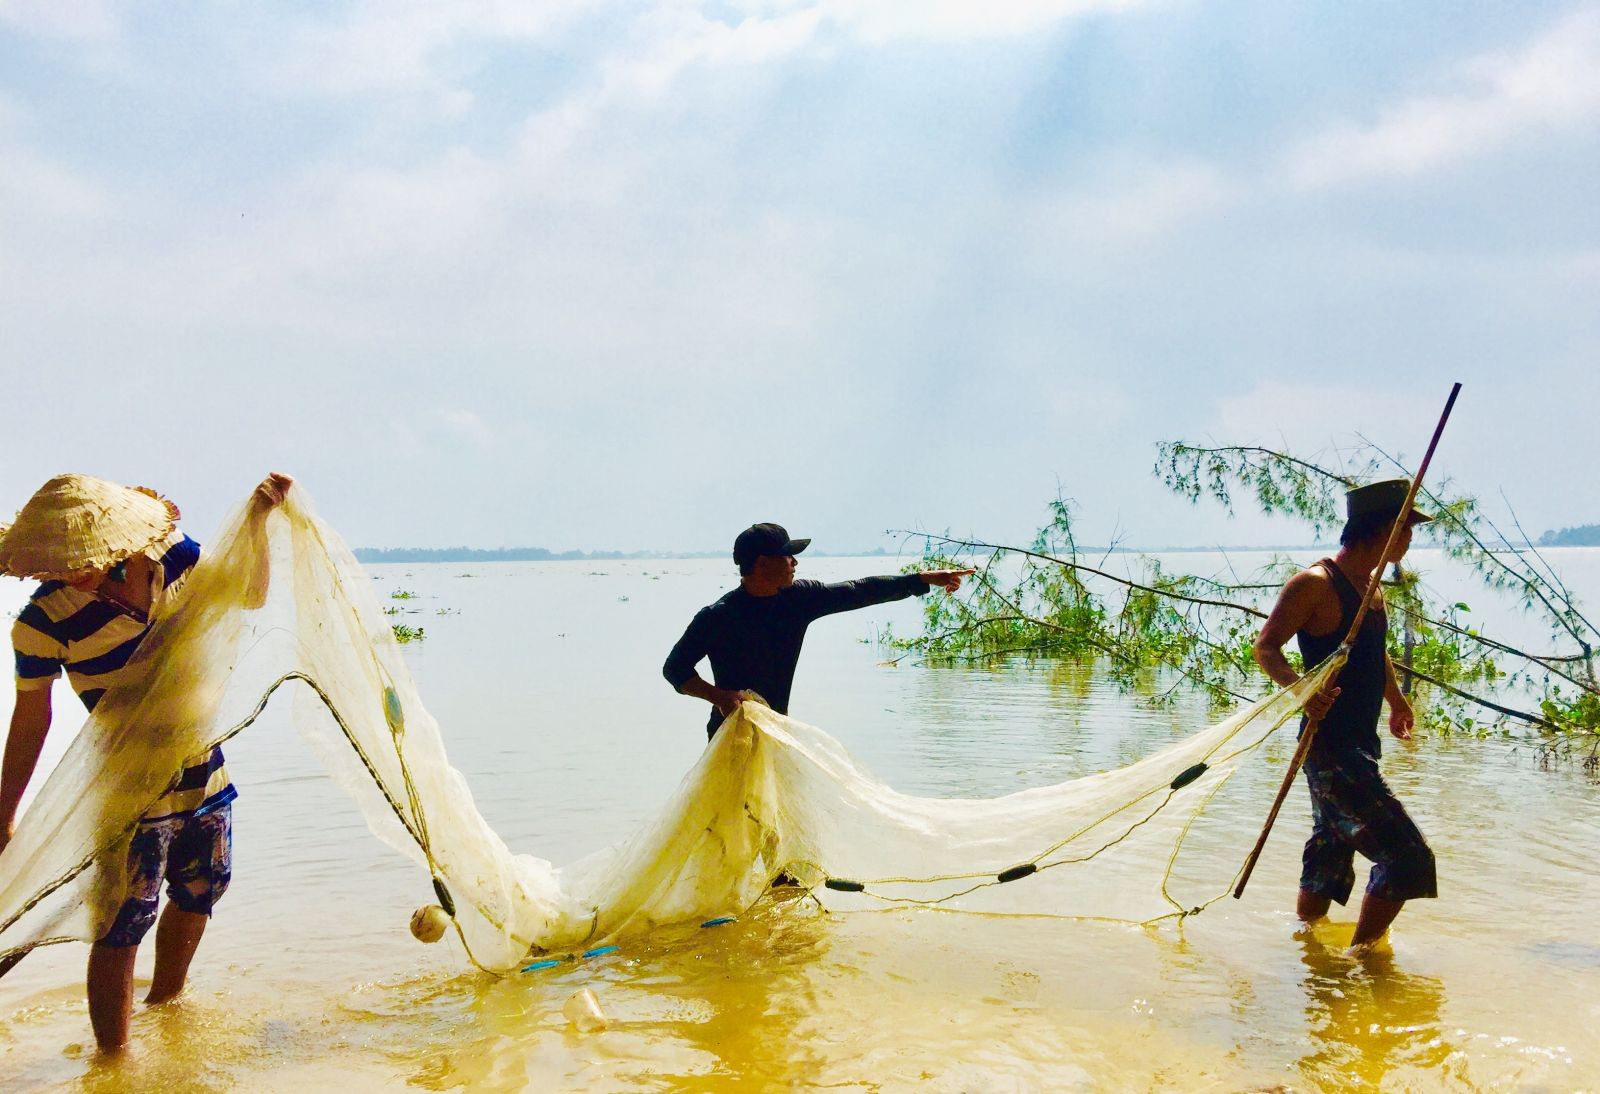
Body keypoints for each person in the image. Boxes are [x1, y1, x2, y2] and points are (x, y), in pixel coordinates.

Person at [0, 471, 292, 1053]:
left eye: (82, 557)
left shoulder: (176, 559)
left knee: (202, 888)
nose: (73, 571)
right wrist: (5, 813)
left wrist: (257, 520)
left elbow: (251, 593)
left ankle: (167, 1010)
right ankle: (113, 1063)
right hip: (127, 785)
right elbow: (32, 720)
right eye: (58, 564)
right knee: (121, 919)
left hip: (202, 764)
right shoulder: (40, 624)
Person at [1252, 478, 1437, 951]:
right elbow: (1266, 647)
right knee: (1407, 857)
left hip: (1358, 741)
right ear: (1383, 529)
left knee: (1332, 846)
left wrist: (1395, 700)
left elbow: (1372, 653)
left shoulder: (1370, 586)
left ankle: (1306, 947)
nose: (1411, 538)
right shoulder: (1315, 584)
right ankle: (1364, 959)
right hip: (1328, 743)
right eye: (1407, 527)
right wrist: (1302, 692)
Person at [664, 522, 974, 739]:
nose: (795, 562)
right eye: (787, 555)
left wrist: (921, 580)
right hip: (729, 737)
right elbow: (675, 668)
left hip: (778, 732)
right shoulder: (718, 616)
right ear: (761, 562)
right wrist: (719, 696)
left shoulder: (798, 599)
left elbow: (859, 590)